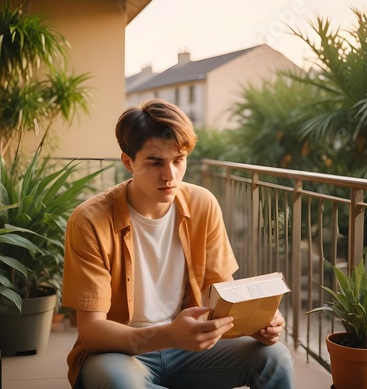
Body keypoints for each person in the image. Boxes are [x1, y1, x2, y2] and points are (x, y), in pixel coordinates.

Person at [62, 98, 295, 389]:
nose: (170, 175)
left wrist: (258, 321)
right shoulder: (89, 221)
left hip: (189, 348)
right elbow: (92, 332)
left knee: (275, 358)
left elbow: (220, 290)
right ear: (128, 162)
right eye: (155, 162)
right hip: (120, 351)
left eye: (178, 160)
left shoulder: (202, 204)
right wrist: (169, 335)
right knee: (123, 385)